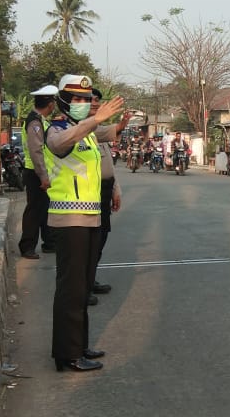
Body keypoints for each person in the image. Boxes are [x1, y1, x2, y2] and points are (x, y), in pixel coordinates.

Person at [43, 74, 124, 372]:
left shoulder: (87, 133)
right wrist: (94, 119)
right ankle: (67, 354)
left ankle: (79, 345)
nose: (83, 104)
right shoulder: (58, 129)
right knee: (71, 288)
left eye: (85, 99)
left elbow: (109, 132)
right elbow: (62, 144)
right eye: (77, 99)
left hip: (90, 218)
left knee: (83, 285)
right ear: (63, 101)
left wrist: (115, 120)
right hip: (69, 220)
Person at [87, 88, 130, 306]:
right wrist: (119, 125)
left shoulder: (97, 129)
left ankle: (90, 279)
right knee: (89, 241)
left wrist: (115, 189)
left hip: (104, 189)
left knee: (100, 237)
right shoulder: (80, 129)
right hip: (86, 195)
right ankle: (82, 286)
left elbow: (106, 166)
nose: (95, 104)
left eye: (97, 101)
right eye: (91, 101)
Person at [18, 84, 58, 259]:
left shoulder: (40, 120)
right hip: (35, 172)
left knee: (45, 209)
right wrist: (43, 176)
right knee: (34, 210)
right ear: (50, 104)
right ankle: (27, 246)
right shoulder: (34, 122)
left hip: (41, 171)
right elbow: (36, 151)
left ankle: (49, 243)